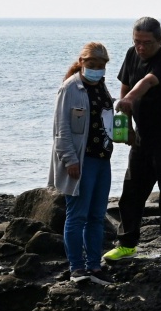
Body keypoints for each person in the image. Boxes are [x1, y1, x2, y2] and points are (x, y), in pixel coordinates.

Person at [103, 17, 161, 260]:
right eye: (137, 42)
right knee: (132, 190)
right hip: (143, 135)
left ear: (160, 40)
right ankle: (127, 243)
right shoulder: (132, 54)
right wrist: (127, 124)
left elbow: (146, 81)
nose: (141, 47)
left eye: (147, 43)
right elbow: (126, 84)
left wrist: (130, 97)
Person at [48, 41, 115, 278]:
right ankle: (76, 267)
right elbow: (61, 129)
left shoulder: (101, 87)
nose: (97, 69)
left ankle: (94, 264)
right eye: (92, 64)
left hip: (102, 159)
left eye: (101, 65)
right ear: (81, 62)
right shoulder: (70, 89)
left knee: (97, 216)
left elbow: (104, 120)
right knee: (76, 216)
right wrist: (69, 160)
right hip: (81, 161)